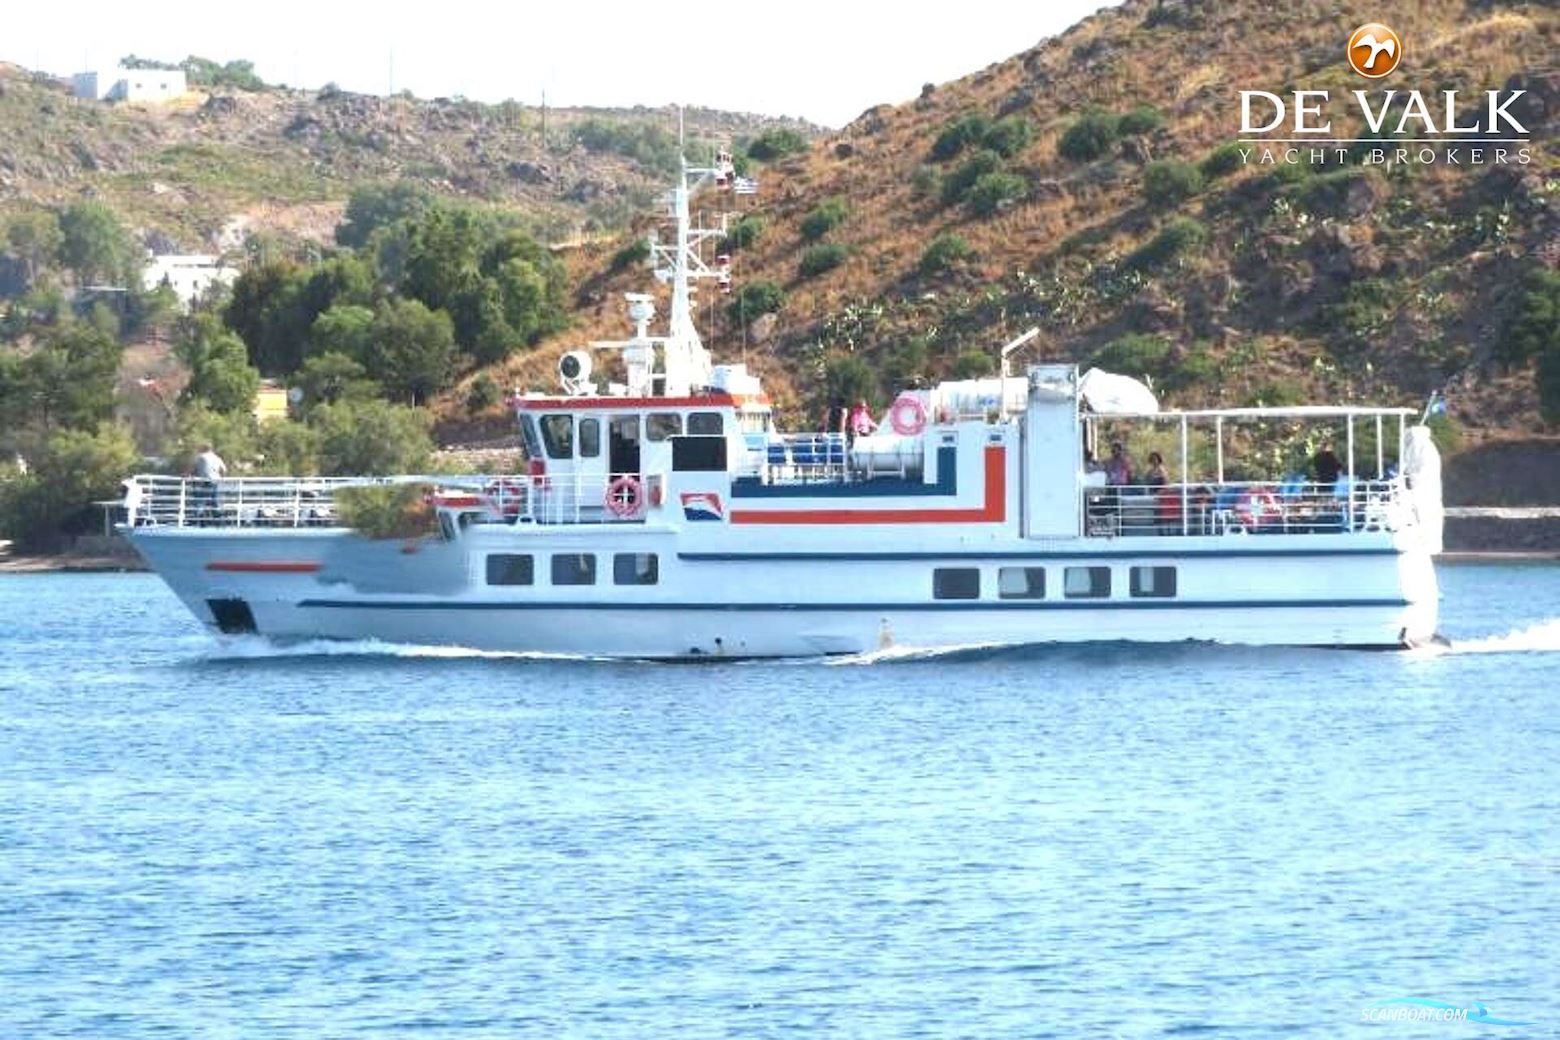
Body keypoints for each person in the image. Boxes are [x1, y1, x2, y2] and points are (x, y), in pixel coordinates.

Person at [193, 444, 227, 522]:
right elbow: (224, 470)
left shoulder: (201, 457)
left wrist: (192, 474)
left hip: (205, 480)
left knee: (201, 499)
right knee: (214, 499)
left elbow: (195, 468)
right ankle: (217, 516)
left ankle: (199, 515)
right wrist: (219, 476)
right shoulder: (217, 458)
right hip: (216, 481)